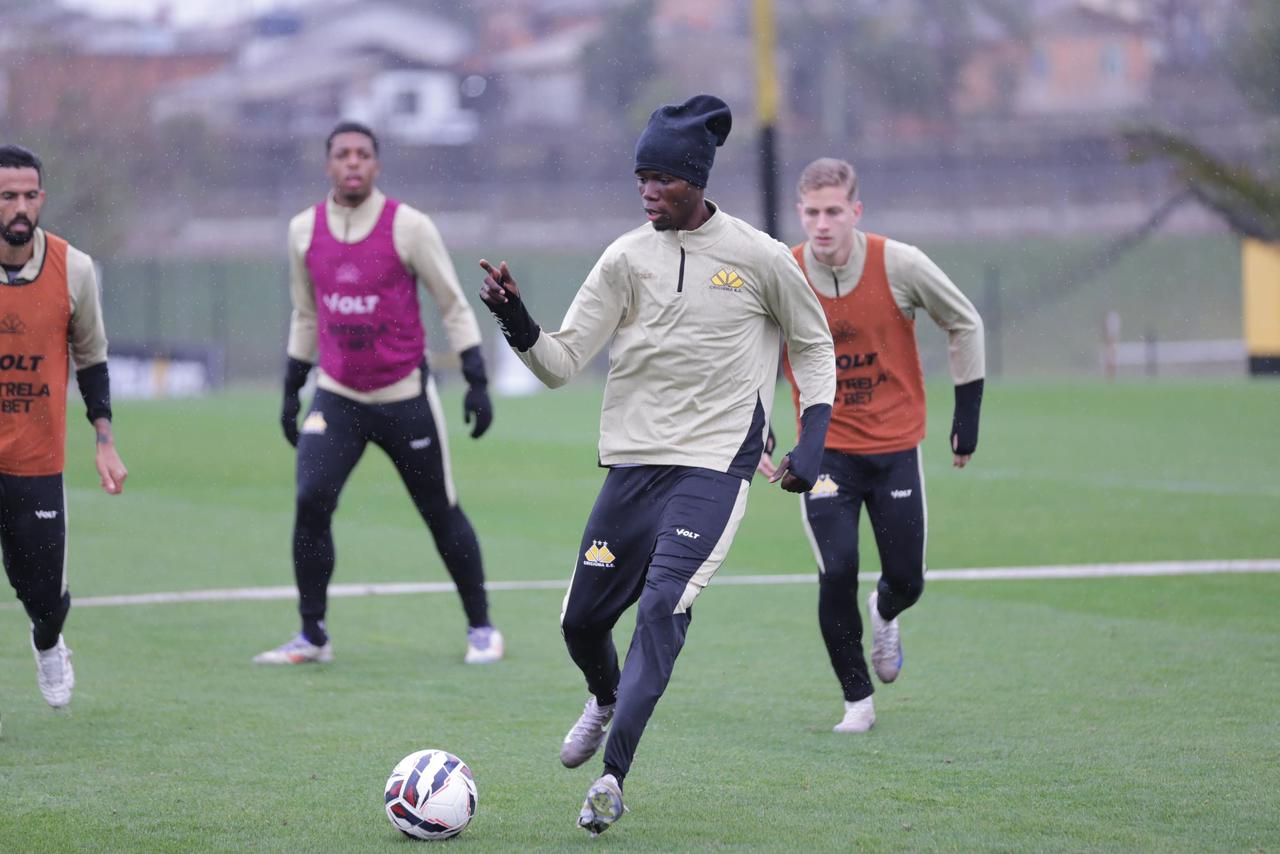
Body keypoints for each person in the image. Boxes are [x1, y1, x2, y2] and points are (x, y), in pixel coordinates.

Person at [479, 95, 835, 836]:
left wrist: (812, 439)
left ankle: (613, 777)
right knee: (581, 624)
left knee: (660, 610)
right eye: (641, 178)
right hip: (632, 469)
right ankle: (602, 696)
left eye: (662, 180)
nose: (647, 192)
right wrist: (516, 318)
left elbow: (814, 345)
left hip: (712, 471)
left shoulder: (762, 258)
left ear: (697, 181)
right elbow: (561, 362)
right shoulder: (624, 258)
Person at [255, 121, 503, 666]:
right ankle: (313, 635)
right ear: (327, 165)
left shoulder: (408, 226)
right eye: (342, 154)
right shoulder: (303, 230)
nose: (352, 163)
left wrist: (477, 379)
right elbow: (305, 313)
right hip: (337, 395)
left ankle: (482, 627)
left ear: (376, 164)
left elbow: (453, 304)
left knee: (440, 511)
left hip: (403, 397)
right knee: (310, 501)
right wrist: (292, 388)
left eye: (362, 154)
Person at [761, 157, 985, 733]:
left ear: (855, 211)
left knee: (907, 579)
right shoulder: (783, 272)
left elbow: (965, 322)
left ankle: (885, 612)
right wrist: (757, 427)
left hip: (894, 450)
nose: (822, 224)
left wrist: (968, 414)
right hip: (825, 450)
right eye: (811, 212)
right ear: (800, 214)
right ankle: (857, 700)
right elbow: (755, 347)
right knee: (837, 568)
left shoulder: (900, 264)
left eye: (834, 211)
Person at [0, 144, 128, 708]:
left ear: (42, 198)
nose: (20, 206)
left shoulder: (73, 268)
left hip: (35, 458)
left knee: (46, 597)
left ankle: (48, 642)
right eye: (7, 196)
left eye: (29, 195)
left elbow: (92, 357)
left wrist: (104, 440)